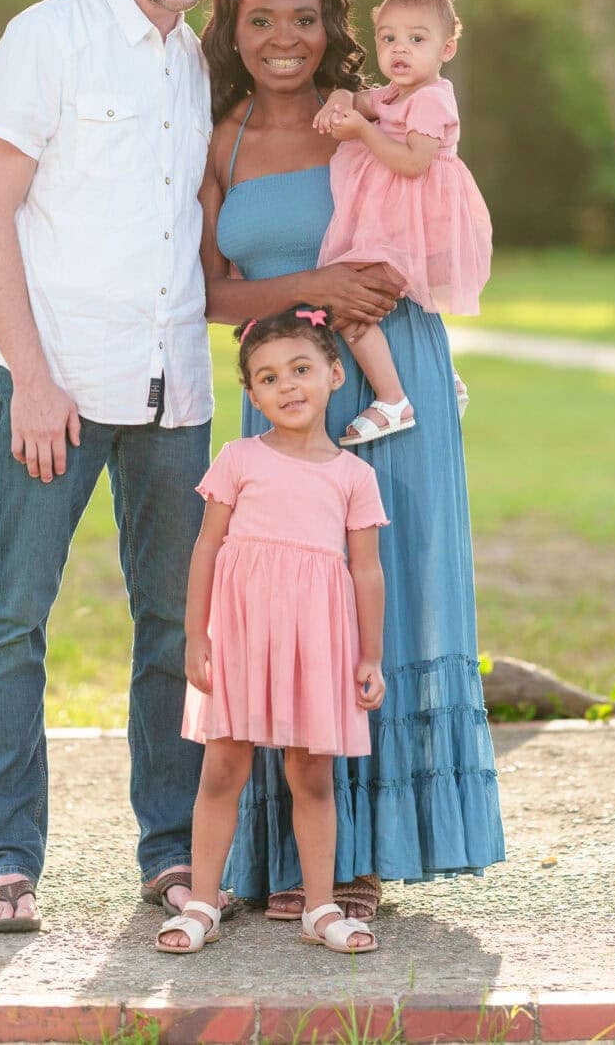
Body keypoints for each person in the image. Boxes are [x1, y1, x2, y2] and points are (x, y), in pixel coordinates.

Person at [197, 0, 505, 922]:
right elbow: (209, 291)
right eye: (259, 20)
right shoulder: (221, 140)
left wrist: (373, 307)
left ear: (332, 28)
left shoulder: (371, 115)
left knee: (383, 593)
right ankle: (286, 854)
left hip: (386, 380)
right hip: (279, 394)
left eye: (302, 18)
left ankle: (363, 852)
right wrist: (308, 289)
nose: (282, 38)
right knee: (284, 606)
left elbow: (439, 209)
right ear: (233, 34)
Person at [0, 0, 232, 932]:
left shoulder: (200, 64)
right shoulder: (50, 35)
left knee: (173, 623)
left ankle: (169, 851)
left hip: (175, 394)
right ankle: (8, 861)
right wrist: (30, 376)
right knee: (14, 620)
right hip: (54, 386)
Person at [156, 306, 386, 956]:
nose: (287, 386)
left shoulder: (353, 476)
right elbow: (206, 549)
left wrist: (372, 656)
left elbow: (366, 573)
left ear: (334, 375)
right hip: (241, 638)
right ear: (250, 393)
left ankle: (319, 907)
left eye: (301, 369)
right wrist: (197, 636)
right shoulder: (237, 459)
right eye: (267, 377)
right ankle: (202, 901)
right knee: (223, 767)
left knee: (312, 774)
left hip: (316, 645)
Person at [314, 0, 492, 445]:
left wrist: (363, 134)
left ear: (446, 48)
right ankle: (445, 379)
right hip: (396, 223)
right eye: (388, 38)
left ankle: (392, 400)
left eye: (417, 39)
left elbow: (413, 164)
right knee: (351, 295)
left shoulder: (432, 100)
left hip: (419, 227)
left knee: (349, 301)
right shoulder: (393, 94)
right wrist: (339, 100)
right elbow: (356, 99)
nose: (400, 49)